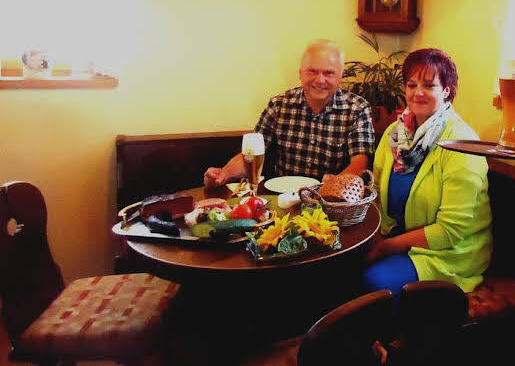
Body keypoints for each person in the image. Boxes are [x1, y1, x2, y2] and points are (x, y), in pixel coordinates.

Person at [363, 48, 492, 296]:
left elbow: (450, 232)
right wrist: (376, 237)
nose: (417, 92)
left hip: (448, 254)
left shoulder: (462, 143)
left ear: (446, 91)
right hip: (396, 239)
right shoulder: (394, 133)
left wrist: (384, 248)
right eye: (411, 85)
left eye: (429, 85)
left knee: (374, 283)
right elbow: (375, 193)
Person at [204, 39, 375, 186]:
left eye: (329, 73)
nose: (320, 80)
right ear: (300, 73)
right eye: (312, 71)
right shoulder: (278, 105)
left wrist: (332, 188)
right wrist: (224, 174)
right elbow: (251, 154)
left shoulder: (357, 109)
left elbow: (360, 162)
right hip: (282, 198)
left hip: (332, 200)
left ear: (340, 76)